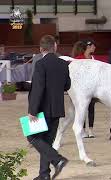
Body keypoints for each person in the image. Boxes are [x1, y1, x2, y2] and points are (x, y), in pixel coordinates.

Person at [27, 35, 71, 180]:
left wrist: (32, 110)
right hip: (57, 109)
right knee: (46, 142)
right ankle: (44, 174)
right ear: (55, 47)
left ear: (41, 49)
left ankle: (57, 159)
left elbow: (38, 89)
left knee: (32, 136)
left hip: (42, 110)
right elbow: (67, 86)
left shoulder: (40, 64)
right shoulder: (64, 64)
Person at [71, 39, 97, 138]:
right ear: (89, 47)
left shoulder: (94, 59)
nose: (94, 48)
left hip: (92, 88)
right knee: (81, 109)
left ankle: (90, 130)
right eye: (93, 46)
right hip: (81, 89)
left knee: (91, 108)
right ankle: (82, 129)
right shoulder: (78, 59)